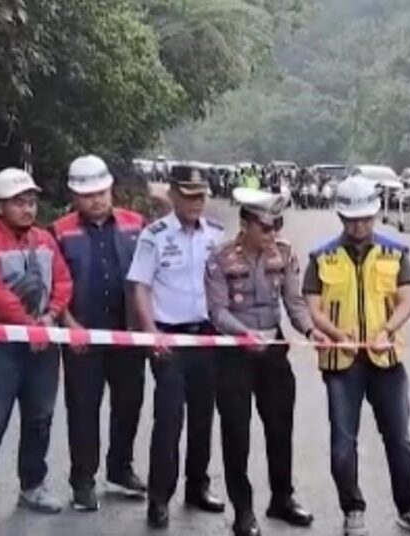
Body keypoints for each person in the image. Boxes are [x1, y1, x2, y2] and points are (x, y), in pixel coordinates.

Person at [302, 175, 410, 536]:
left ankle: (409, 507)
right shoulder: (321, 256)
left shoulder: (395, 252)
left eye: (365, 218)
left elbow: (407, 300)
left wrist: (388, 331)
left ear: (374, 215)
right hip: (341, 365)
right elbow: (313, 307)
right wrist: (333, 333)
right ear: (341, 217)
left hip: (386, 360)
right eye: (352, 219)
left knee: (399, 441)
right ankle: (352, 509)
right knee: (343, 445)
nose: (359, 225)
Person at [205, 187, 327, 536]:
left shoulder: (284, 253)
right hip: (234, 351)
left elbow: (294, 301)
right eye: (266, 227)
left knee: (280, 427)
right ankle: (243, 510)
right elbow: (217, 311)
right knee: (236, 432)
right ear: (245, 224)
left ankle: (282, 498)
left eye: (277, 225)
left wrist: (309, 330)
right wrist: (244, 333)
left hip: (272, 348)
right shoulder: (220, 257)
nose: (273, 234)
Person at [0, 168, 73, 529]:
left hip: (43, 341)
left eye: (31, 201)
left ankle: (33, 483)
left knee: (40, 416)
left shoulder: (44, 239)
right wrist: (30, 326)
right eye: (18, 202)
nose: (28, 208)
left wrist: (52, 315)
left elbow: (62, 280)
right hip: (0, 347)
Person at [127, 164, 226, 530]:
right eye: (188, 195)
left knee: (203, 416)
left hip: (206, 335)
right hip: (169, 338)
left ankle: (197, 487)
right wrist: (151, 332)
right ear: (172, 195)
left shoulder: (215, 235)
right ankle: (159, 498)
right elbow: (140, 285)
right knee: (168, 419)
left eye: (201, 196)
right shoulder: (155, 236)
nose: (196, 202)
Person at [52, 155, 147, 511]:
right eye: (88, 194)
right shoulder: (60, 231)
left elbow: (149, 277)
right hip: (83, 336)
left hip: (127, 334)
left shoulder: (135, 224)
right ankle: (83, 481)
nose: (97, 199)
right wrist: (68, 324)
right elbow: (53, 282)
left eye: (102, 192)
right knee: (82, 409)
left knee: (129, 404)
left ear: (111, 189)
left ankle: (120, 468)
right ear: (75, 196)